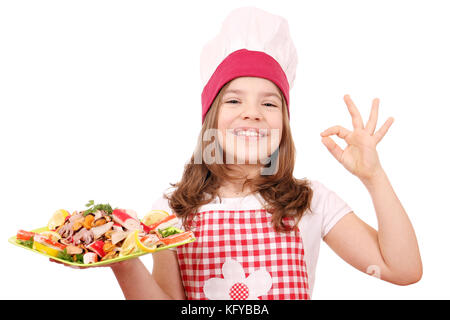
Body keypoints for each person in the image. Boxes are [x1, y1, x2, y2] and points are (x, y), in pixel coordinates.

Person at [53, 6, 422, 300]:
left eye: (269, 103)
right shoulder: (171, 210)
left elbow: (403, 270)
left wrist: (373, 176)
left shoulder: (311, 201)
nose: (252, 112)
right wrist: (123, 263)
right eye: (233, 99)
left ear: (284, 125)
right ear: (211, 120)